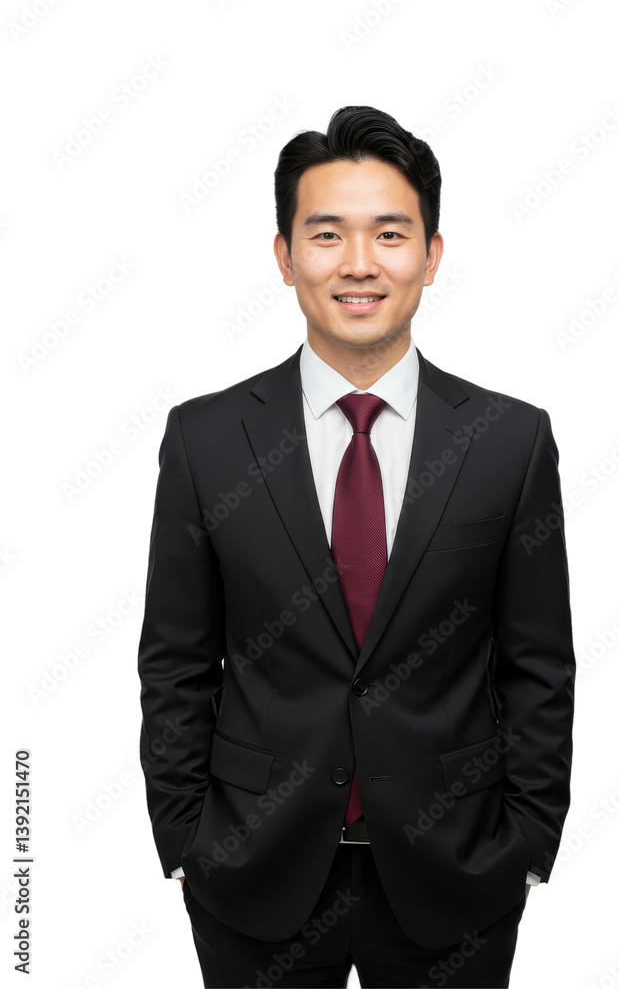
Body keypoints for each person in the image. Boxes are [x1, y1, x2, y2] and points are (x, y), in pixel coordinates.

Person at [138, 105, 576, 988]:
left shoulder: (507, 440)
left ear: (433, 254)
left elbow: (539, 665)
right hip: (252, 876)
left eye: (390, 234)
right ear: (284, 255)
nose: (360, 264)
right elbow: (177, 662)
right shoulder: (207, 439)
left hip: (456, 876)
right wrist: (187, 841)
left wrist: (525, 847)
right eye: (328, 234)